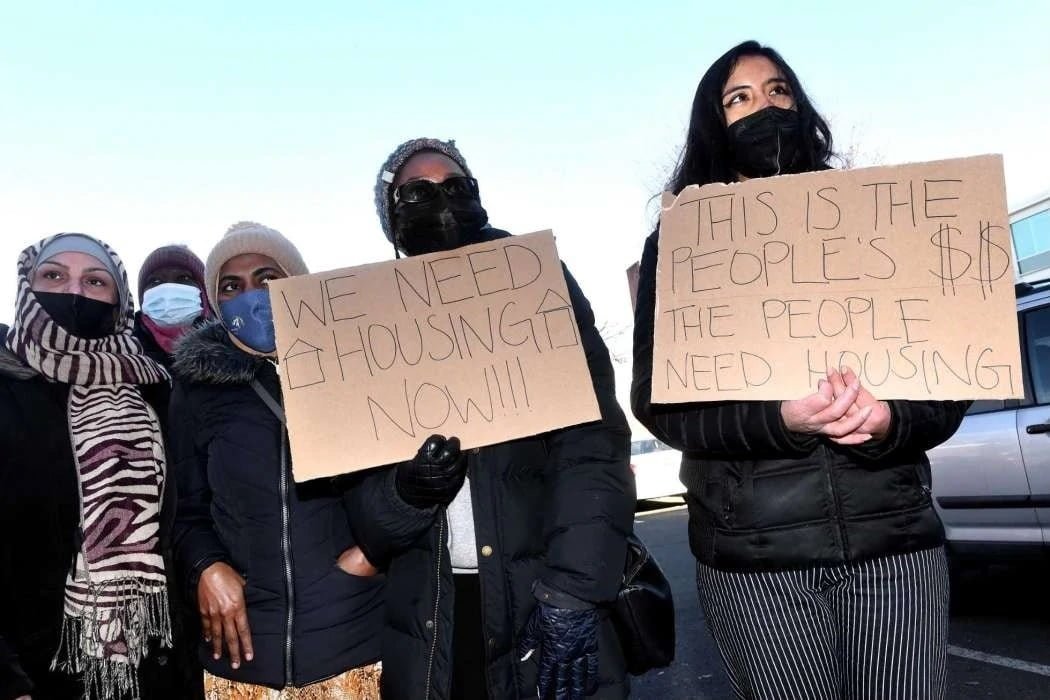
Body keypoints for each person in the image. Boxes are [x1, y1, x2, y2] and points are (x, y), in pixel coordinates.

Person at [631, 41, 970, 700]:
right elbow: (659, 402)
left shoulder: (879, 220)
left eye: (778, 90)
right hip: (757, 565)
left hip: (894, 546)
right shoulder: (681, 244)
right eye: (740, 98)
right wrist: (780, 421)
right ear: (713, 124)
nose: (765, 107)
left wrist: (890, 421)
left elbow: (949, 379)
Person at [345, 138, 635, 700]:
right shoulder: (368, 327)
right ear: (392, 217)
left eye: (456, 185)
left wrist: (573, 592)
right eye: (416, 192)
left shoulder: (535, 285)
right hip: (432, 622)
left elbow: (594, 450)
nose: (440, 199)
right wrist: (406, 494)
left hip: (543, 596)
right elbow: (363, 515)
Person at [168, 221, 384, 699]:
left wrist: (370, 553)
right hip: (242, 656)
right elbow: (184, 510)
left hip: (351, 641)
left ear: (297, 282)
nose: (250, 295)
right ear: (216, 304)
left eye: (267, 277)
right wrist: (205, 565)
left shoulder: (354, 366)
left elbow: (395, 485)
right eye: (231, 286)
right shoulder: (197, 388)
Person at [0, 233, 182, 700]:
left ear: (120, 303)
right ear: (26, 286)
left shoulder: (155, 387)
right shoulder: (7, 384)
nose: (75, 292)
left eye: (96, 281)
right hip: (34, 670)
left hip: (155, 662)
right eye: (54, 275)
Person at [134, 245, 209, 367]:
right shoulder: (120, 349)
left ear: (204, 292)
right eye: (155, 281)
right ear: (143, 297)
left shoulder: (233, 345)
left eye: (184, 278)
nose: (168, 289)